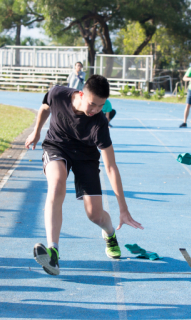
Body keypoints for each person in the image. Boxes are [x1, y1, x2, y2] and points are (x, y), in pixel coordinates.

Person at [25, 75, 143, 276]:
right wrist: (36, 131)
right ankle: (53, 252)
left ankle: (110, 234)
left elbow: (111, 166)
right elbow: (45, 107)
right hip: (57, 146)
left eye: (101, 106)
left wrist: (123, 208)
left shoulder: (99, 124)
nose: (96, 110)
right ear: (81, 94)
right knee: (56, 183)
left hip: (86, 157)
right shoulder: (58, 94)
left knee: (94, 215)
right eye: (93, 104)